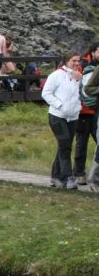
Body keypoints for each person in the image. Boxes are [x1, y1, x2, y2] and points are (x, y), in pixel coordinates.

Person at [42, 50, 82, 189]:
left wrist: (78, 81)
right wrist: (59, 105)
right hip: (57, 116)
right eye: (74, 61)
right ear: (66, 61)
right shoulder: (57, 75)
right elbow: (46, 93)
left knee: (64, 146)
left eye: (78, 60)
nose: (77, 63)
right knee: (65, 146)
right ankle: (68, 177)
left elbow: (80, 94)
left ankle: (55, 177)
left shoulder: (78, 76)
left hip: (73, 116)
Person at [74, 44, 99, 184]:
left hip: (96, 110)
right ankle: (79, 173)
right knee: (82, 143)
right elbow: (82, 88)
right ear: (93, 52)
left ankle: (94, 176)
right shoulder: (84, 65)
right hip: (84, 111)